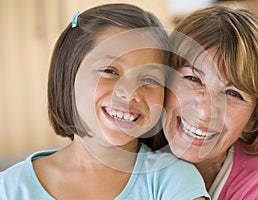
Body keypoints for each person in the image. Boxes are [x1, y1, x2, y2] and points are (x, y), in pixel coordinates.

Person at [0, 4, 210, 200]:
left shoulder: (172, 179)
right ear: (69, 75)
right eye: (110, 71)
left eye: (149, 79)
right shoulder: (10, 187)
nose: (129, 93)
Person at [162, 5, 258, 199]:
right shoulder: (124, 159)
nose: (204, 111)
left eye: (233, 94)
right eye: (193, 79)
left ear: (254, 118)